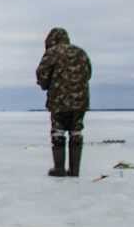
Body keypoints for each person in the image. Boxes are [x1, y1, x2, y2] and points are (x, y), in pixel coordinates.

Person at [35, 27, 92, 177]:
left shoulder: (52, 53)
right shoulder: (81, 53)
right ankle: (75, 171)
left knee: (58, 132)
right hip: (80, 101)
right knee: (76, 131)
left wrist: (45, 85)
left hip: (59, 102)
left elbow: (42, 75)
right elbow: (88, 73)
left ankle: (59, 169)